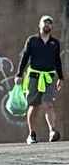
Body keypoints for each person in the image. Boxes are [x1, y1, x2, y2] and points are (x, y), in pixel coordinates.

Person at [15, 14, 64, 144]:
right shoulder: (32, 40)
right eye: (45, 22)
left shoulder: (55, 43)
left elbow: (57, 60)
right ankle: (32, 134)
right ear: (39, 24)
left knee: (48, 104)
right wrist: (19, 75)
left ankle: (52, 131)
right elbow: (25, 57)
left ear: (51, 26)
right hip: (33, 77)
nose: (47, 24)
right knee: (34, 106)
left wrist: (61, 77)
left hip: (48, 77)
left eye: (49, 23)